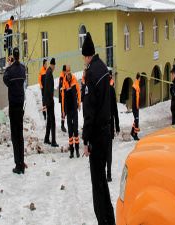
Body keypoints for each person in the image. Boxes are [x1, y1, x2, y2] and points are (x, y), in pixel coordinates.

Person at [82, 32, 115, 225]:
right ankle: (110, 220)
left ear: (87, 56)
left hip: (96, 135)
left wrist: (86, 140)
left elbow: (89, 111)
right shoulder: (103, 68)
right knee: (103, 181)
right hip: (106, 131)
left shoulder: (91, 74)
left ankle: (103, 220)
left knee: (97, 183)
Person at [3, 48, 26, 174]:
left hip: (13, 105)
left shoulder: (10, 71)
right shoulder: (22, 69)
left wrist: (8, 66)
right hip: (21, 105)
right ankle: (22, 162)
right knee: (20, 135)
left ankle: (18, 164)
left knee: (15, 135)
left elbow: (5, 79)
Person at [61, 65, 81, 158]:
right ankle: (71, 151)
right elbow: (63, 98)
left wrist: (79, 103)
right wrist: (63, 111)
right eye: (67, 72)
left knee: (75, 130)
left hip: (74, 109)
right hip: (68, 110)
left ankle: (77, 150)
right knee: (70, 131)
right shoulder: (64, 82)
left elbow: (79, 92)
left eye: (69, 72)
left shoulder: (74, 80)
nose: (68, 74)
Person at [106, 71, 120, 182]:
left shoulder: (101, 90)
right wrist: (117, 125)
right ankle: (109, 174)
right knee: (109, 151)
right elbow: (115, 109)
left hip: (102, 126)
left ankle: (105, 173)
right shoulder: (111, 90)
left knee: (103, 151)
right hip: (110, 125)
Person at [44, 58, 59, 147]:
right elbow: (49, 88)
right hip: (49, 101)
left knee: (49, 120)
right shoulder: (49, 73)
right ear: (52, 65)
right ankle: (53, 141)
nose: (54, 68)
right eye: (54, 66)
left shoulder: (48, 72)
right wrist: (50, 100)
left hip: (48, 100)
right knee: (52, 121)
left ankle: (46, 138)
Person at [131, 73, 141, 140]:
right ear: (139, 78)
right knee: (137, 120)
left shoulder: (135, 84)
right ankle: (135, 135)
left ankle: (132, 132)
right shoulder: (136, 86)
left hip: (135, 106)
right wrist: (136, 107)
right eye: (140, 78)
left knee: (135, 120)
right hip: (135, 106)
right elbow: (135, 98)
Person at [59, 65, 67, 133]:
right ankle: (62, 125)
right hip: (62, 98)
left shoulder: (64, 76)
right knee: (63, 111)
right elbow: (61, 89)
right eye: (66, 71)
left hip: (65, 98)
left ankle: (63, 124)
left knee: (65, 111)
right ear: (63, 71)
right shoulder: (62, 77)